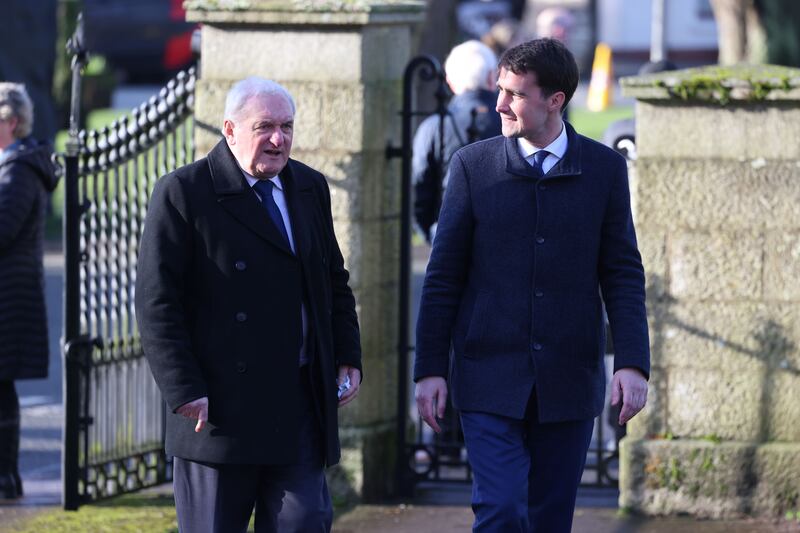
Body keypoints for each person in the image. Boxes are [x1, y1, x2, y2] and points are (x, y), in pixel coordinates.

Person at [414, 39, 650, 532]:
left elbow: (623, 272)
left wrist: (631, 362)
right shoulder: (471, 167)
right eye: (500, 89)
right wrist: (430, 369)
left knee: (548, 520)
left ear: (555, 101)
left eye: (514, 94)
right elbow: (442, 278)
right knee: (500, 510)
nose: (498, 104)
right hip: (487, 375)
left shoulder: (604, 170)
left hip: (568, 377)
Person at [135, 77, 362, 533]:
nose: (278, 139)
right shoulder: (185, 192)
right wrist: (183, 388)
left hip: (297, 403)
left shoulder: (308, 187)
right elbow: (158, 302)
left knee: (305, 521)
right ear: (230, 130)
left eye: (287, 126)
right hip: (217, 411)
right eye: (265, 127)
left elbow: (332, 282)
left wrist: (347, 356)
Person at [0, 82, 58, 499]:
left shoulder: (18, 170)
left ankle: (5, 477)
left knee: (2, 392)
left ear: (12, 122)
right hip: (10, 298)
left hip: (8, 301)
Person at [413, 40, 502, 243]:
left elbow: (420, 186)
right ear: (491, 77)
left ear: (450, 81)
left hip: (448, 229)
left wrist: (431, 233)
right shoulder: (516, 122)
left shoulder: (435, 126)